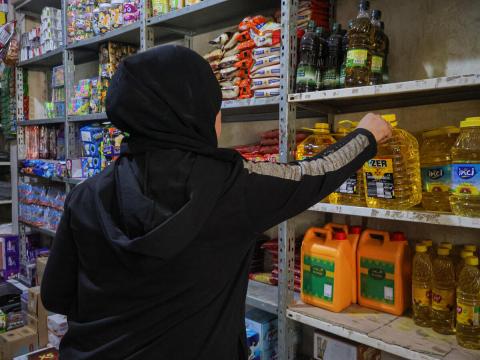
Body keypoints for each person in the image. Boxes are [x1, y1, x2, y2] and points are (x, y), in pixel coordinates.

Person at [41, 45, 392, 359]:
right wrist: (366, 136)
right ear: (195, 112)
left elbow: (56, 296)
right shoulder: (234, 187)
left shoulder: (85, 196)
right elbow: (314, 173)